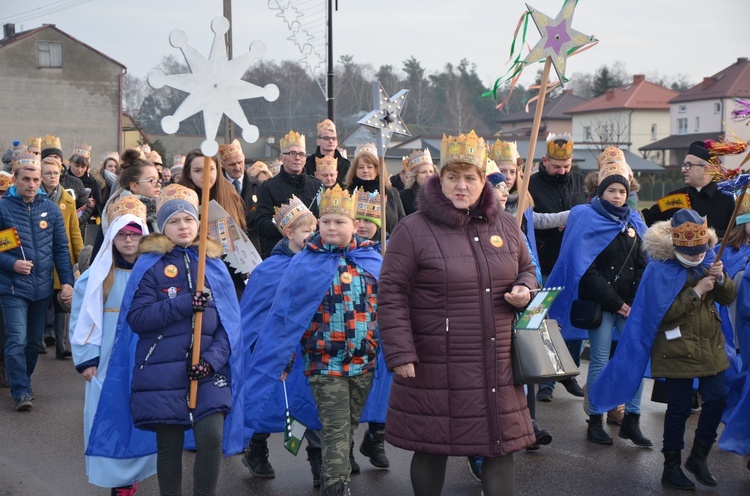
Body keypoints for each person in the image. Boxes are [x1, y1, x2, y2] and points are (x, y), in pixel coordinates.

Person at [379, 131, 538, 496]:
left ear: (485, 181)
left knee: (500, 445)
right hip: (436, 359)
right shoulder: (413, 230)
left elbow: (527, 270)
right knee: (433, 444)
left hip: (496, 359)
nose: (461, 186)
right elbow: (391, 293)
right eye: (453, 177)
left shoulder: (506, 228)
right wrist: (400, 351)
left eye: (471, 178)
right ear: (441, 178)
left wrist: (524, 289)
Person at [242, 184, 382, 495]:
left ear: (355, 225)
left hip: (362, 362)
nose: (331, 227)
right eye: (326, 222)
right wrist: (283, 359)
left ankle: (336, 476)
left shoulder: (370, 260)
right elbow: (286, 317)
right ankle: (335, 486)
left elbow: (388, 311)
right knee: (334, 428)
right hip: (323, 361)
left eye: (339, 222)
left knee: (347, 428)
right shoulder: (304, 263)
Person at [589, 209, 735, 491]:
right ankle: (671, 467)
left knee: (717, 399)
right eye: (691, 254)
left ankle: (699, 456)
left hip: (709, 347)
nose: (696, 258)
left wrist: (720, 279)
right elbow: (660, 314)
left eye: (700, 252)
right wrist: (697, 291)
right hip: (675, 348)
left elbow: (728, 297)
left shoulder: (709, 261)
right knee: (679, 409)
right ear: (676, 245)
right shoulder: (659, 268)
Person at [126, 184, 243, 496]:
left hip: (207, 372)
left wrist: (210, 362)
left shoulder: (214, 265)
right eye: (175, 221)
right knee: (169, 447)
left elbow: (229, 325)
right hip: (162, 373)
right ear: (163, 226)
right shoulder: (150, 266)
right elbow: (137, 318)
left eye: (189, 220)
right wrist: (184, 303)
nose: (183, 226)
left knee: (211, 438)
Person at [546, 157, 650, 446]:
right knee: (600, 360)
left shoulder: (634, 220)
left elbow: (643, 263)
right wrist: (617, 303)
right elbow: (585, 269)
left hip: (629, 304)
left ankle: (632, 418)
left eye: (622, 191)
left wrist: (631, 301)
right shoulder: (585, 216)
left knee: (634, 359)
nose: (618, 196)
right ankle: (596, 419)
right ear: (600, 193)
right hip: (601, 304)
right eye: (612, 191)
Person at [69, 195, 157, 495]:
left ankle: (134, 475)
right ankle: (119, 481)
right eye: (121, 234)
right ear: (112, 236)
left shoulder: (153, 273)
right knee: (109, 414)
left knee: (142, 413)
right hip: (107, 358)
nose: (128, 240)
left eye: (134, 234)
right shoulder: (96, 278)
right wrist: (86, 358)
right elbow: (81, 320)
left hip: (144, 355)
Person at [239, 197, 325, 484]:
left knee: (312, 403)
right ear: (288, 234)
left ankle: (320, 463)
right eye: (306, 232)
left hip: (312, 347)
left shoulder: (321, 262)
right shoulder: (269, 269)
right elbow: (254, 312)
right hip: (278, 349)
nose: (313, 236)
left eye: (315, 230)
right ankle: (257, 447)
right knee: (269, 400)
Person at [0, 152, 74, 411]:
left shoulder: (51, 210)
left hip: (41, 288)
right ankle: (20, 391)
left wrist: (67, 282)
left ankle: (24, 381)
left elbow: (61, 250)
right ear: (15, 180)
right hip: (12, 287)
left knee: (33, 343)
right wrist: (12, 264)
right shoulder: (3, 208)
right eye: (26, 179)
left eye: (35, 179)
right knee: (17, 340)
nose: (31, 184)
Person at [528, 133, 587, 402]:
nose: (562, 171)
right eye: (556, 166)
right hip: (547, 260)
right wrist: (567, 219)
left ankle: (569, 372)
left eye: (566, 166)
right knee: (544, 318)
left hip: (577, 261)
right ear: (544, 160)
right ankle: (545, 380)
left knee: (575, 321)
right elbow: (530, 220)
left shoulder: (581, 181)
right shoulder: (531, 183)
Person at [180, 148, 249, 298]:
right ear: (189, 173)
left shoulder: (230, 194)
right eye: (198, 170)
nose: (205, 175)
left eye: (210, 169)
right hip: (194, 272)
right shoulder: (181, 200)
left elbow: (240, 234)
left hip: (229, 275)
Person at [642, 140, 735, 237]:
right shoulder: (675, 197)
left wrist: (704, 235)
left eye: (688, 165)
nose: (683, 170)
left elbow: (736, 235)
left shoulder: (728, 199)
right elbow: (647, 218)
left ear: (706, 169)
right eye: (684, 165)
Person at [40, 156, 84, 359]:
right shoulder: (35, 196)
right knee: (41, 298)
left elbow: (74, 231)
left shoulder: (67, 198)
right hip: (40, 254)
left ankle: (62, 343)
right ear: (41, 175)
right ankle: (39, 338)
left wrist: (81, 258)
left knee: (62, 299)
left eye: (55, 173)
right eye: (48, 173)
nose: (52, 176)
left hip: (61, 254)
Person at [256, 131, 322, 258]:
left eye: (301, 154)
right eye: (292, 153)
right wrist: (291, 225)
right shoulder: (269, 187)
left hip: (312, 253)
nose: (297, 157)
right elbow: (262, 225)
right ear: (282, 158)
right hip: (281, 254)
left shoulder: (317, 185)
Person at [94, 149, 162, 259]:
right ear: (134, 186)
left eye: (158, 180)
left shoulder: (160, 210)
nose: (158, 185)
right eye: (151, 180)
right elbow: (99, 255)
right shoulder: (118, 213)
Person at [344, 143, 405, 234]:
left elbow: (402, 221)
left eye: (370, 167)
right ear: (355, 170)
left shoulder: (391, 192)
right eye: (361, 167)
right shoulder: (347, 193)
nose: (365, 170)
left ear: (377, 169)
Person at [217, 140, 262, 254]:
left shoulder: (258, 186)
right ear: (222, 164)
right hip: (226, 248)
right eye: (232, 164)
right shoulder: (217, 188)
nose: (237, 167)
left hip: (253, 247)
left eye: (240, 162)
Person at [305, 119, 351, 184]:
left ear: (337, 142)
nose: (331, 141)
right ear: (318, 141)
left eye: (334, 138)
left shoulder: (346, 165)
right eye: (326, 138)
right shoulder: (307, 163)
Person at [68, 146, 103, 231]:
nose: (79, 170)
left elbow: (99, 206)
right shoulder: (63, 180)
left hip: (85, 223)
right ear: (70, 163)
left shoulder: (93, 183)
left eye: (83, 167)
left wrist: (92, 205)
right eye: (76, 166)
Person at [399, 149, 437, 216]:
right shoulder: (403, 196)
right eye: (423, 172)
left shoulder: (441, 194)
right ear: (415, 175)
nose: (428, 175)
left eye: (431, 171)